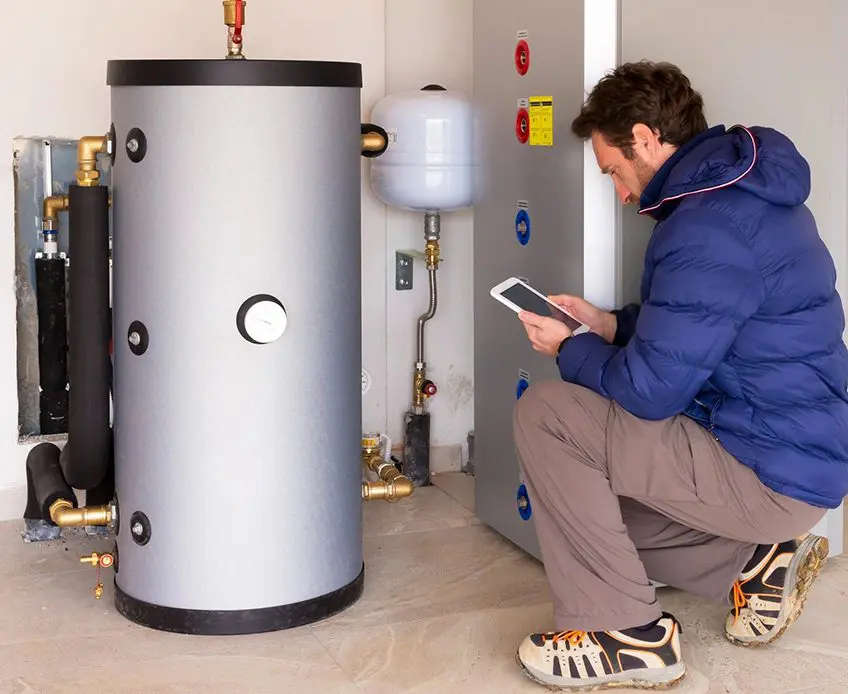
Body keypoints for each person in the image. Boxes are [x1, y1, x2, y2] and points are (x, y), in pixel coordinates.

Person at [511, 60, 848, 690]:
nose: (620, 193)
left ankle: (626, 637)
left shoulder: (706, 227)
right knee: (585, 522)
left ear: (644, 139)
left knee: (549, 416)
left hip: (766, 467)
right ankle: (752, 563)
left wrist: (569, 349)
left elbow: (649, 391)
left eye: (612, 171)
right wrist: (609, 326)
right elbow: (707, 333)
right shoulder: (738, 201)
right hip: (788, 459)